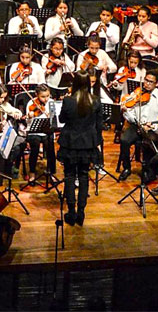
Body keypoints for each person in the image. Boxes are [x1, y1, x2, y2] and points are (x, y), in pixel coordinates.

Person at [57, 70, 102, 226]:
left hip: (70, 143)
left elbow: (62, 119)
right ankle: (81, 213)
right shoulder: (96, 101)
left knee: (69, 176)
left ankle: (71, 211)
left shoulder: (68, 101)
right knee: (83, 176)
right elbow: (99, 125)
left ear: (75, 84)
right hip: (87, 144)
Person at [117, 69, 158, 181]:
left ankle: (148, 170)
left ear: (156, 83)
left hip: (153, 129)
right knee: (124, 140)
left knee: (148, 143)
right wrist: (125, 111)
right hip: (137, 125)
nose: (147, 84)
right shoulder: (137, 93)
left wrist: (152, 126)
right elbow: (132, 117)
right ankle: (126, 168)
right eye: (146, 80)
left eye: (151, 82)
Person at [23, 84, 57, 182]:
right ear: (37, 95)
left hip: (47, 131)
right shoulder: (31, 103)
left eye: (47, 96)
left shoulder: (51, 103)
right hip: (34, 131)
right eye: (43, 97)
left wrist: (50, 115)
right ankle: (32, 172)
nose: (46, 99)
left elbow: (53, 119)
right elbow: (28, 123)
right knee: (35, 147)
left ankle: (51, 171)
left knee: (50, 148)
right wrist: (30, 116)